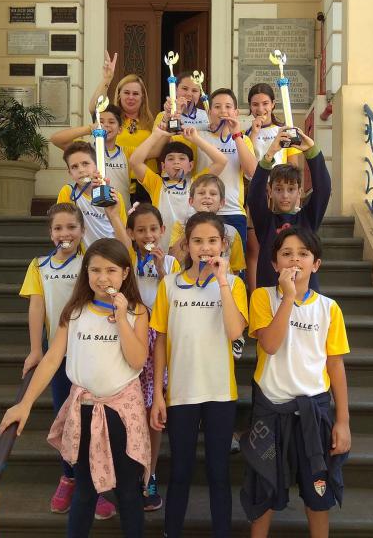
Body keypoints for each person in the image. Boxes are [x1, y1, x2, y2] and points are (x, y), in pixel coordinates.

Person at [0, 239, 151, 538]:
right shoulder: (74, 312)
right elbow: (52, 358)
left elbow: (137, 360)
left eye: (111, 270)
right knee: (84, 489)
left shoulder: (137, 312)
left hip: (122, 413)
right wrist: (25, 404)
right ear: (86, 273)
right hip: (83, 410)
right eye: (95, 270)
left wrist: (121, 318)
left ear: (125, 273)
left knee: (128, 491)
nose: (103, 278)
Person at [242, 227, 351, 538]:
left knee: (318, 491)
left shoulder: (329, 308)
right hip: (270, 408)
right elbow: (270, 345)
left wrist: (342, 421)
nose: (294, 260)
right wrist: (288, 297)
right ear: (274, 263)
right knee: (263, 488)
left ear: (315, 264)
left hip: (313, 409)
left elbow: (335, 364)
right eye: (286, 254)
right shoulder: (262, 297)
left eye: (303, 254)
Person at [150, 212, 249, 537]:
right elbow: (160, 340)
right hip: (180, 393)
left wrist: (222, 281)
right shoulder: (169, 285)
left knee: (219, 472)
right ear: (186, 245)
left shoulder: (234, 284)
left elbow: (235, 332)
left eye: (212, 241)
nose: (205, 248)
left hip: (220, 392)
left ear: (223, 245)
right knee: (180, 471)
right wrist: (158, 394)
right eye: (197, 241)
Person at [115, 203, 182, 512]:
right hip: (130, 340)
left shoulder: (171, 262)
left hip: (159, 343)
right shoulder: (125, 262)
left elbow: (176, 300)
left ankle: (149, 474)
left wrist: (161, 270)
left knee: (153, 413)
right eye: (140, 230)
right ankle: (127, 473)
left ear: (163, 230)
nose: (148, 235)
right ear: (130, 233)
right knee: (128, 411)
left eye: (153, 229)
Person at [247, 128, 331, 291]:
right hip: (270, 296)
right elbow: (254, 195)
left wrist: (311, 151)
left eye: (291, 189)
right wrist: (270, 154)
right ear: (270, 192)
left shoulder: (308, 219)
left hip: (304, 298)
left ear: (299, 192)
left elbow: (324, 189)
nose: (285, 195)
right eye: (278, 189)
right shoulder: (265, 221)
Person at [129, 123, 227, 252]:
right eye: (170, 159)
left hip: (188, 249)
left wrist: (196, 139)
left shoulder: (196, 184)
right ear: (163, 166)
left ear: (191, 166)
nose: (176, 162)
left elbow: (221, 161)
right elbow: (134, 161)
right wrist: (155, 135)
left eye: (182, 158)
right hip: (161, 249)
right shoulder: (156, 183)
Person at [243, 83, 303, 290]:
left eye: (265, 103)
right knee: (254, 248)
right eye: (255, 104)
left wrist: (294, 195)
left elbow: (294, 166)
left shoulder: (285, 131)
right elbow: (245, 164)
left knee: (283, 243)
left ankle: (288, 288)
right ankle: (256, 295)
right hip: (257, 194)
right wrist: (252, 133)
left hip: (281, 193)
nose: (260, 109)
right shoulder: (246, 133)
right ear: (250, 107)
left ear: (273, 104)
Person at [88, 51, 156, 203]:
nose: (131, 97)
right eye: (126, 92)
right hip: (115, 182)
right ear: (119, 95)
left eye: (135, 94)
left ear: (142, 97)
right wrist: (107, 78)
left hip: (145, 187)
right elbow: (94, 108)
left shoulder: (151, 123)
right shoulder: (111, 121)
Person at [195, 88, 257, 250]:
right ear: (209, 112)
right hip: (202, 210)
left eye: (228, 106)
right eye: (217, 107)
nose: (223, 111)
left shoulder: (243, 140)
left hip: (233, 211)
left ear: (236, 112)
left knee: (235, 263)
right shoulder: (197, 137)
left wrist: (236, 135)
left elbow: (251, 172)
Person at [51, 103, 135, 210]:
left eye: (111, 122)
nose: (106, 125)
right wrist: (89, 129)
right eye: (101, 121)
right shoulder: (85, 150)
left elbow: (153, 150)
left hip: (120, 213)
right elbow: (56, 139)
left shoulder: (127, 152)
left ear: (120, 129)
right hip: (92, 215)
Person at [167, 173, 245, 277]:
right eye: (201, 193)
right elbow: (174, 259)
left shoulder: (232, 232)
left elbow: (236, 269)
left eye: (213, 194)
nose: (207, 197)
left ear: (222, 203)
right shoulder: (180, 227)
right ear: (191, 201)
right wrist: (193, 226)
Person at [57, 141, 127, 248]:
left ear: (97, 166)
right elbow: (62, 233)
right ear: (70, 173)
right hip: (82, 256)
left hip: (111, 254)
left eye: (85, 163)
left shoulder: (114, 196)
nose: (81, 170)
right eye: (74, 167)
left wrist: (113, 216)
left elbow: (126, 244)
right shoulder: (68, 192)